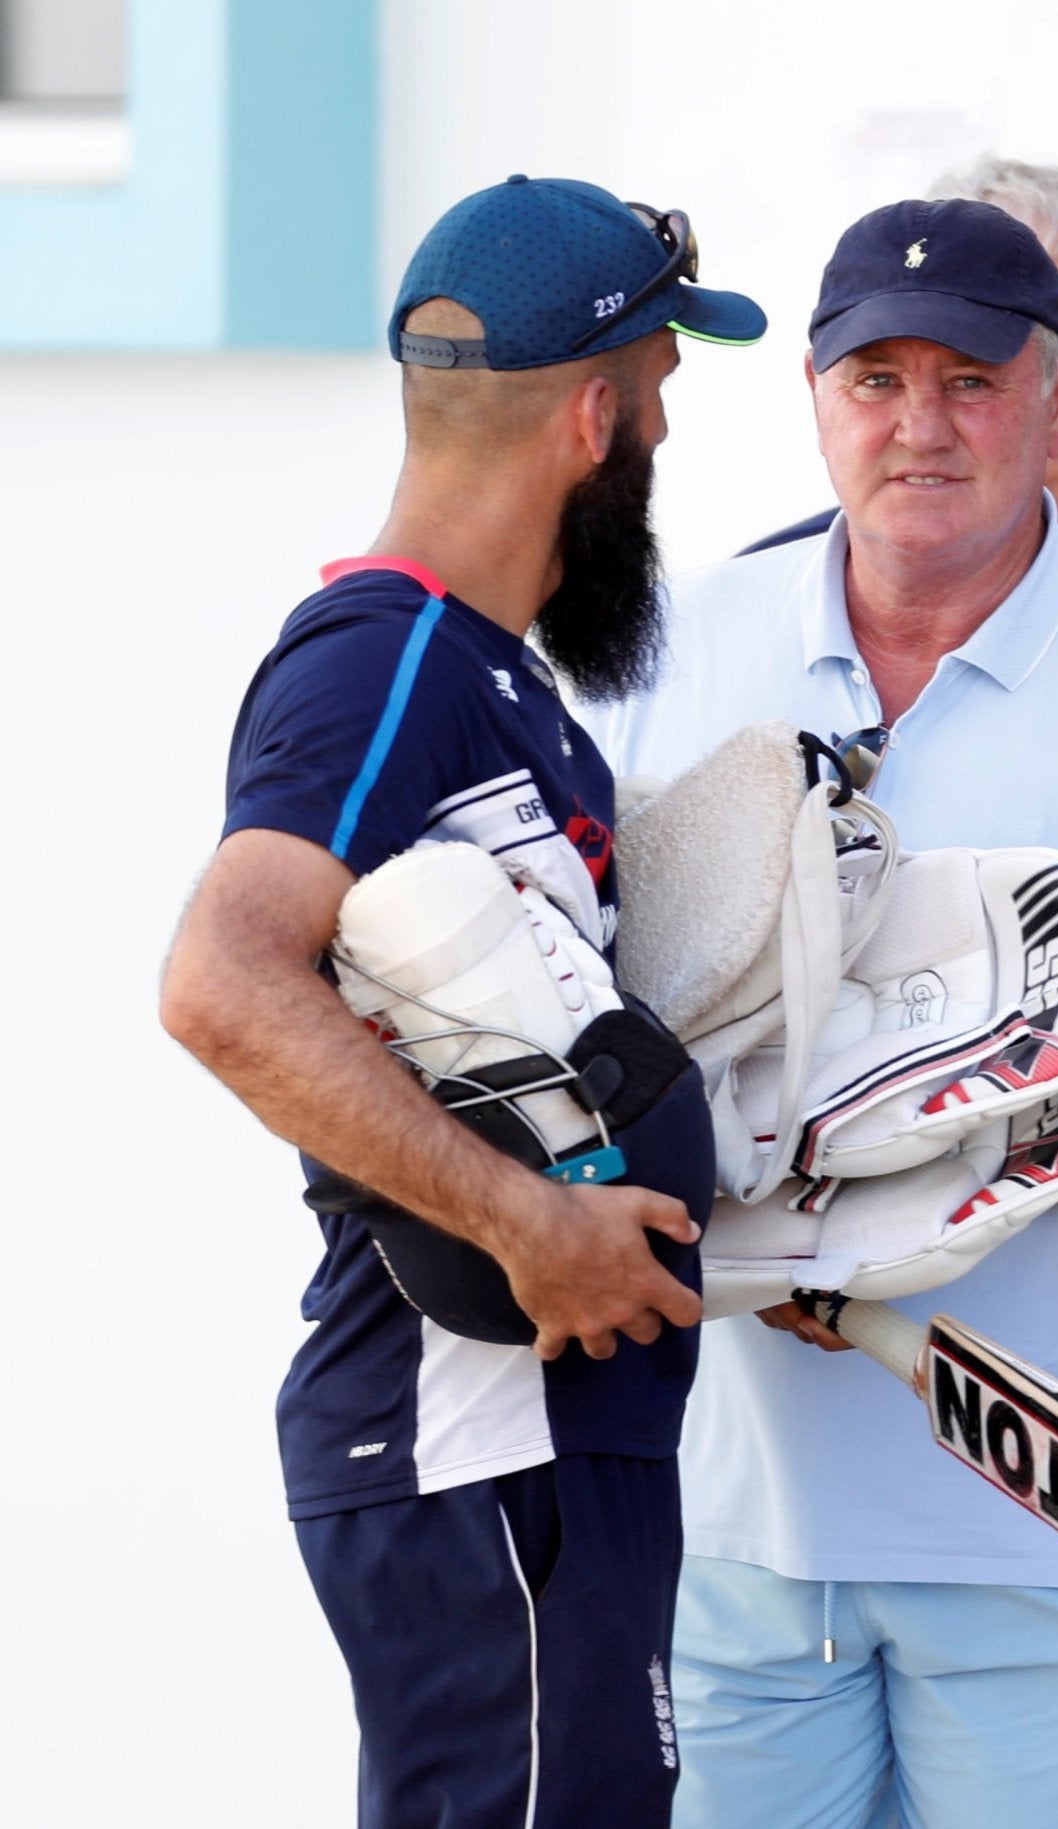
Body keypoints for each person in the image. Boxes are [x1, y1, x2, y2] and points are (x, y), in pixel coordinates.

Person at [585, 196, 1058, 1829]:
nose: (921, 426)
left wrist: (804, 1186)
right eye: (877, 379)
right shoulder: (675, 646)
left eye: (973, 379)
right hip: (738, 1523)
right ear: (817, 400)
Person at [158, 176, 767, 1827]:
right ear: (592, 418)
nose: (661, 445)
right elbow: (220, 981)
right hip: (467, 1441)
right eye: (658, 404)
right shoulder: (387, 660)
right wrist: (523, 1221)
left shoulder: (504, 686)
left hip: (554, 1444)